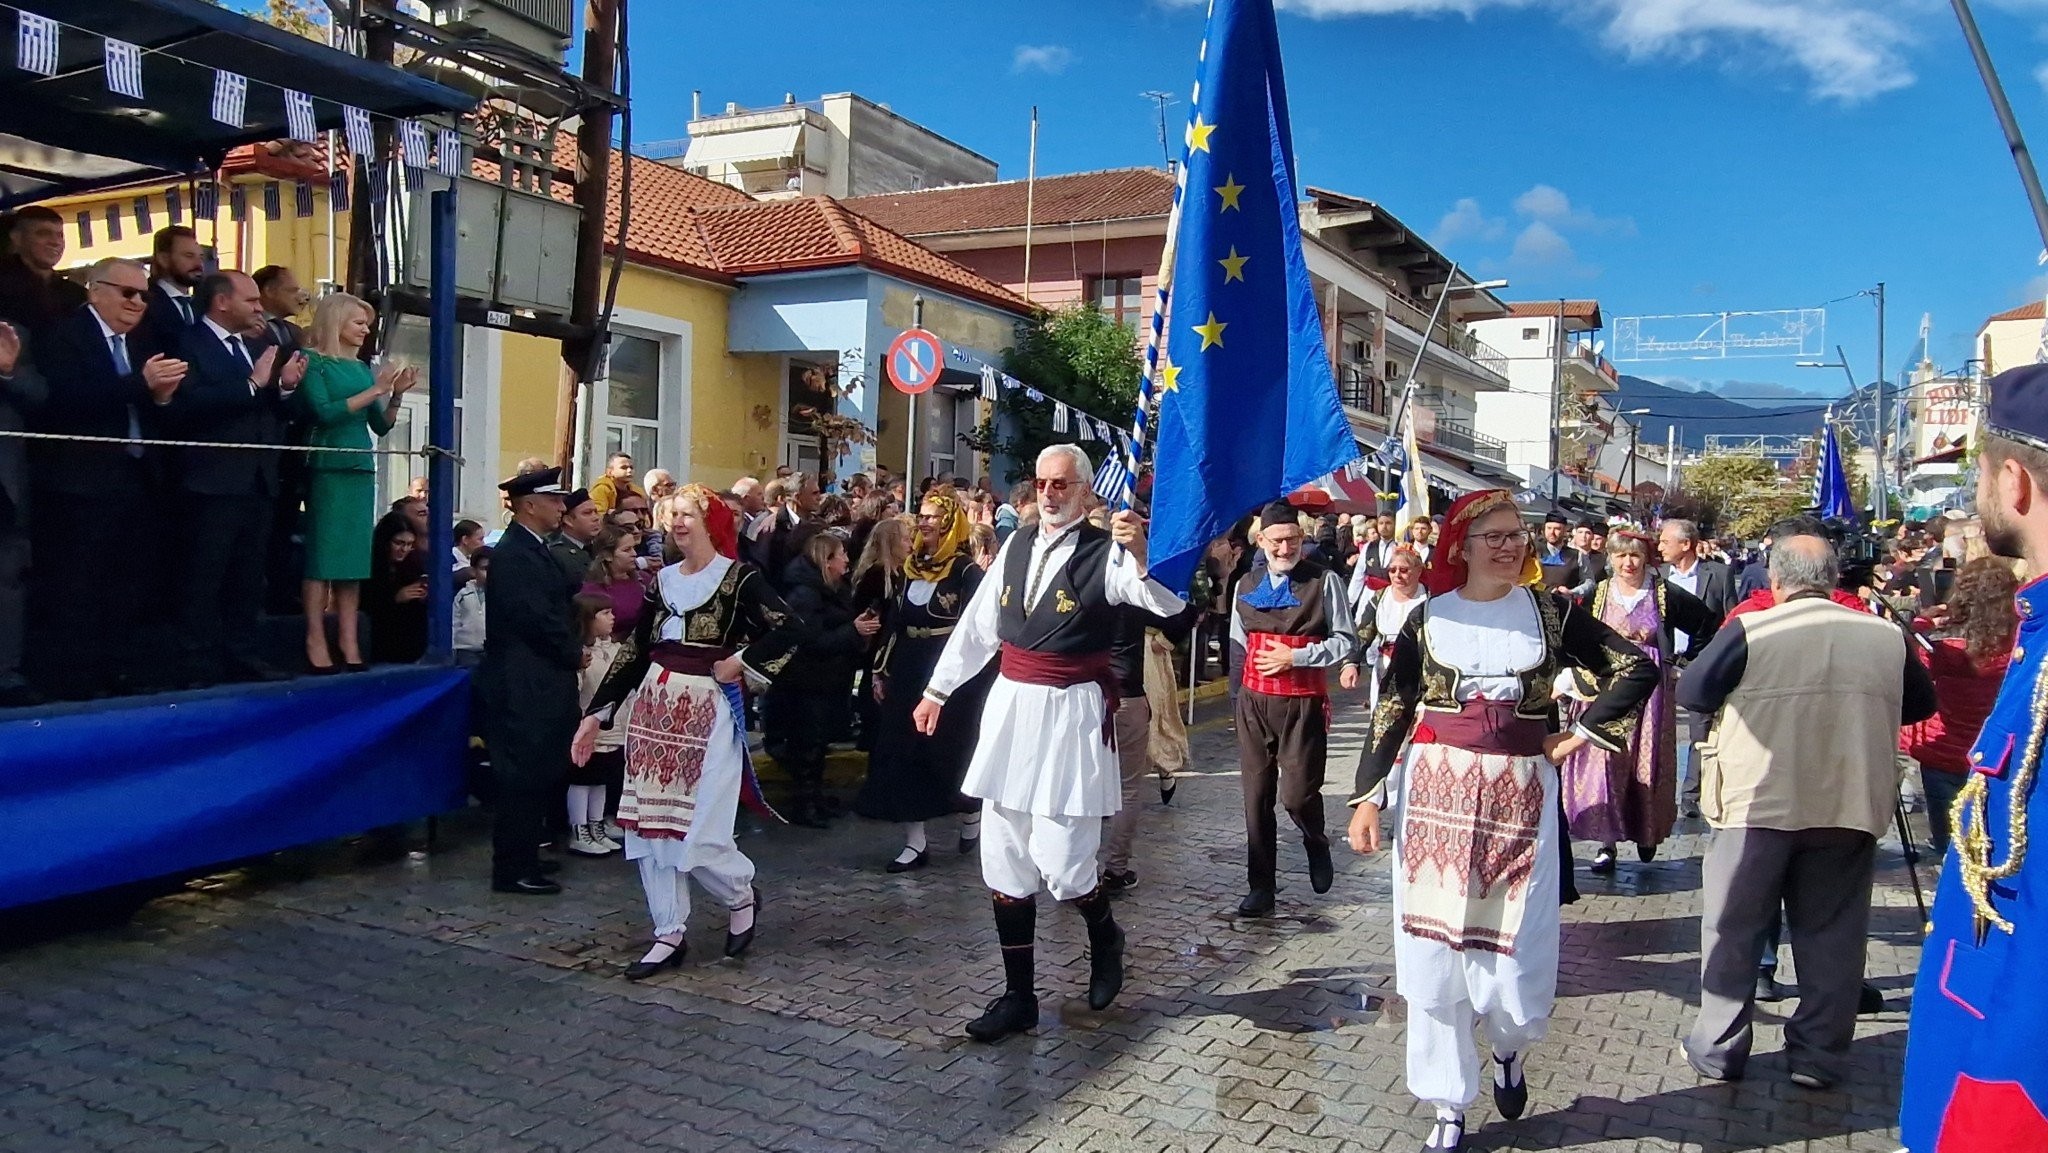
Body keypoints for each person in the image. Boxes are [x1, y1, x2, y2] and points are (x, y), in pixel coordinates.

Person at [1347, 488, 1656, 1152]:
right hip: (1434, 800)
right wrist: (1368, 795)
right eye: (1497, 536)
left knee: (1514, 954)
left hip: (1523, 800)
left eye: (1519, 535)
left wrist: (1578, 737)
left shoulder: (1552, 614)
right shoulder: (1427, 619)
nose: (1512, 545)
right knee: (1433, 955)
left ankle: (1510, 1048)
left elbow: (1635, 669)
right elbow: (1395, 706)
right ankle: (1447, 1102)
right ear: (1461, 546)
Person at [910, 444, 1186, 1043]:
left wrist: (1140, 554)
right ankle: (1018, 996)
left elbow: (1167, 603)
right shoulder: (1013, 546)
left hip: (1071, 717)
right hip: (1011, 709)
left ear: (1085, 491)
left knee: (1064, 866)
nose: (1050, 493)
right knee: (1005, 862)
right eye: (1041, 483)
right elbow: (976, 629)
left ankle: (1105, 933)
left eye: (1062, 484)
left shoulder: (1106, 553)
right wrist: (937, 690)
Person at [1676, 529, 1935, 1091]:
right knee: (1834, 934)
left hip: (1758, 799)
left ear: (1775, 579)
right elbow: (1921, 702)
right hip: (1848, 798)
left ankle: (1719, 1047)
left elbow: (1692, 692)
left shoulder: (1753, 627)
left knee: (1733, 927)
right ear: (1834, 579)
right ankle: (1817, 1055)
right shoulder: (1886, 635)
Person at [1901, 364, 2048, 1151]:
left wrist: (1987, 1119)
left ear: (2016, 482)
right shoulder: (2034, 638)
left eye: (1982, 474)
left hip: (2003, 1089)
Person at [574, 484, 806, 978]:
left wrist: (741, 661)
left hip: (709, 710)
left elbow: (790, 627)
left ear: (708, 520)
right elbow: (636, 650)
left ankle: (740, 891)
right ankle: (668, 931)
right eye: (671, 515)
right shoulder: (661, 583)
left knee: (698, 830)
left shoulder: (739, 579)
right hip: (654, 710)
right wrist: (597, 714)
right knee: (648, 827)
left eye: (687, 514)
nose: (678, 523)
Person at [169, 270, 304, 685]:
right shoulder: (189, 342)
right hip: (211, 480)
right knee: (204, 577)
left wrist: (282, 388)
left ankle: (242, 654)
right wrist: (251, 385)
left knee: (248, 578)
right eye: (250, 301)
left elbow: (274, 408)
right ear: (221, 302)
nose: (259, 308)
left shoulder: (261, 344)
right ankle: (195, 663)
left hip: (258, 479)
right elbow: (189, 405)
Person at [1558, 531, 1720, 870]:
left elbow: (1706, 623)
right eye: (1620, 557)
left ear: (1646, 558)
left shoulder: (1663, 593)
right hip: (1608, 683)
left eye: (1634, 556)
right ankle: (1607, 841)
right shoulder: (1599, 593)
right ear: (1611, 559)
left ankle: (1646, 829)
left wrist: (1682, 663)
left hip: (1649, 688)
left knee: (1643, 760)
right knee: (1605, 757)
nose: (1628, 563)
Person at [1230, 500, 1359, 917]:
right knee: (1256, 797)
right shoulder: (1245, 583)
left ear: (1302, 540)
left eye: (1292, 540)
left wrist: (1296, 658)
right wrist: (1237, 699)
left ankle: (1315, 840)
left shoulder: (1323, 582)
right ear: (1261, 541)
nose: (1284, 548)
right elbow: (1237, 645)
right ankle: (1260, 887)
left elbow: (1346, 641)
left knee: (1297, 795)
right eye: (1276, 540)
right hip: (1253, 703)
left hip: (1301, 702)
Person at [856, 487, 994, 869]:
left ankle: (969, 812)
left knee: (950, 750)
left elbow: (979, 630)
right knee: (903, 752)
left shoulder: (966, 572)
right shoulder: (909, 569)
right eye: (922, 515)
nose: (924, 522)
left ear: (950, 522)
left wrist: (971, 680)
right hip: (908, 669)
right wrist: (881, 670)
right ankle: (915, 842)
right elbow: (894, 624)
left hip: (950, 675)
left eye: (932, 516)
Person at [479, 467, 581, 896]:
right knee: (521, 774)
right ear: (529, 505)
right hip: (523, 681)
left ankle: (525, 855)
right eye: (555, 500)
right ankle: (513, 867)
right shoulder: (515, 554)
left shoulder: (533, 549)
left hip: (539, 677)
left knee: (538, 771)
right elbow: (537, 618)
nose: (562, 508)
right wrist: (573, 652)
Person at [296, 292, 411, 672]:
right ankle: (315, 637)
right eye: (358, 322)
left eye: (367, 323)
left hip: (360, 466)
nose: (365, 330)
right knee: (322, 558)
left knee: (353, 559)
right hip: (329, 463)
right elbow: (323, 413)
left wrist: (393, 396)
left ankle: (348, 638)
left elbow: (380, 424)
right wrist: (374, 391)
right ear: (336, 322)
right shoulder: (314, 362)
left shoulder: (362, 369)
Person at [1901, 557, 2017, 856]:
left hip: (1944, 751)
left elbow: (1913, 667)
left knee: (1950, 845)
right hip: (1999, 750)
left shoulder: (1942, 645)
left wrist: (1922, 622)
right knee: (1998, 836)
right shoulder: (2018, 641)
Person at [767, 532, 874, 828]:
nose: (847, 560)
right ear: (827, 561)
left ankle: (815, 798)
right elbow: (809, 640)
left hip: (826, 680)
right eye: (841, 554)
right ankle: (805, 803)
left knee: (818, 745)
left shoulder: (832, 588)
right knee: (808, 746)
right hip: (807, 682)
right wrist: (852, 631)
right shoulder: (805, 594)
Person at [1658, 518, 1739, 820]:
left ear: (1686, 544)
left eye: (1666, 541)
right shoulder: (1656, 577)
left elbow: (1733, 618)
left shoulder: (1718, 575)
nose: (1660, 546)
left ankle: (1691, 795)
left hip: (1701, 662)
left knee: (1699, 732)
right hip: (1664, 662)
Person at [0, 318, 44, 708]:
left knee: (7, 581)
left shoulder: (12, 333)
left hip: (4, 484)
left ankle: (6, 675)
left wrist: (8, 370)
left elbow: (39, 396)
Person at [566, 593, 625, 857]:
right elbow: (578, 689)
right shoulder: (580, 654)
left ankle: (596, 825)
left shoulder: (614, 648)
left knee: (601, 780)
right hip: (588, 727)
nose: (612, 617)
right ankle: (579, 829)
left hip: (612, 727)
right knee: (583, 780)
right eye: (605, 613)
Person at [1342, 544, 1428, 714]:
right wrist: (1351, 663)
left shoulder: (1430, 598)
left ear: (1418, 571)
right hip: (1385, 668)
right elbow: (1363, 633)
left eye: (1403, 570)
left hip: (1420, 670)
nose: (1397, 575)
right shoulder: (1380, 597)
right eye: (1392, 570)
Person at [0, 206, 85, 340]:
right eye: (43, 233)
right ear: (16, 238)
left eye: (60, 235)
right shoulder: (5, 292)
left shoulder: (76, 294)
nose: (55, 242)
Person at [363, 512, 427, 664]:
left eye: (409, 544)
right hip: (378, 642)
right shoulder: (368, 566)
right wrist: (394, 598)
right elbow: (363, 606)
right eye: (399, 543)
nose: (404, 549)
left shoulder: (413, 565)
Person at [138, 226, 205, 360]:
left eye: (201, 257)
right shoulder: (143, 302)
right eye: (189, 256)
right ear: (163, 259)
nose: (199, 264)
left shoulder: (202, 304)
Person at [579, 526, 647, 642]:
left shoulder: (645, 581)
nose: (634, 554)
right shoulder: (593, 590)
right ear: (607, 555)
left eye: (634, 548)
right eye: (627, 550)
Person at [550, 488, 603, 581]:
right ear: (568, 521)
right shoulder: (557, 554)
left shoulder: (601, 548)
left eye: (596, 512)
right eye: (587, 513)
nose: (596, 518)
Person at [452, 546, 490, 667]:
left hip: (493, 650)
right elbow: (454, 623)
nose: (488, 573)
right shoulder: (463, 595)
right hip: (466, 650)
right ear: (474, 571)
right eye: (484, 569)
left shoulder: (502, 594)